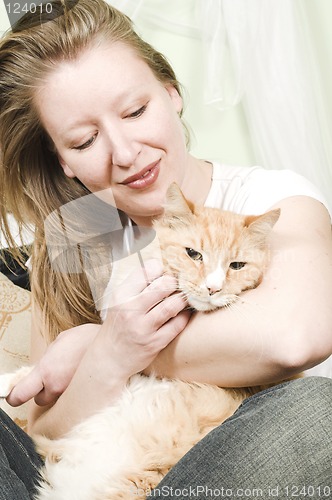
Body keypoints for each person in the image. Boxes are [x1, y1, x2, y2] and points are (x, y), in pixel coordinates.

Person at [0, 1, 331, 498]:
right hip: (77, 469)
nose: (126, 153)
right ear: (63, 161)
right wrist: (111, 355)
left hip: (200, 468)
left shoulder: (268, 197)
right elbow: (41, 432)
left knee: (316, 414)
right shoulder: (74, 230)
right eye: (86, 141)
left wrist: (99, 347)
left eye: (136, 111)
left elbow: (294, 338)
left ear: (172, 93)